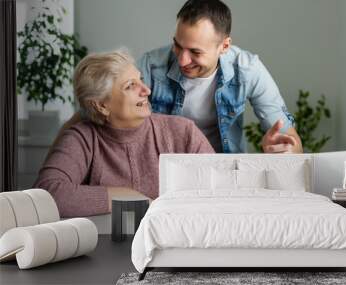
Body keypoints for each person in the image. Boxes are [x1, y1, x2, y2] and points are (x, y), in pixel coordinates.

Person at [56, 0, 302, 154]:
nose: (182, 60)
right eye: (177, 45)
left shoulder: (248, 69)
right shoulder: (152, 66)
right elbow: (92, 110)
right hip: (166, 171)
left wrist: (284, 149)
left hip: (224, 172)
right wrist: (54, 163)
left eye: (195, 52)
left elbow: (290, 138)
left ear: (224, 46)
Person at [34, 51, 214, 217]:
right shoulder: (83, 139)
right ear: (102, 105)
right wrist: (128, 198)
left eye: (140, 80)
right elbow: (45, 194)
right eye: (130, 86)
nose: (146, 90)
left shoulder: (182, 132)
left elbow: (221, 188)